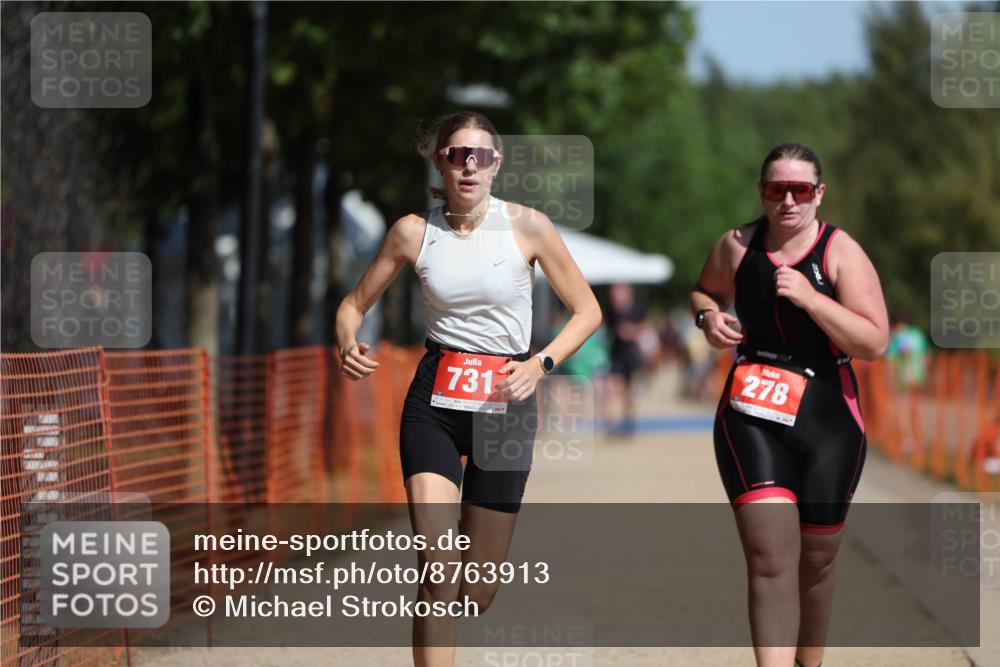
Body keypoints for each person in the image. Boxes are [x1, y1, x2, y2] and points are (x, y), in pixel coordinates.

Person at [335, 111, 601, 667]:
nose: (469, 166)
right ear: (441, 163)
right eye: (458, 155)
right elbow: (353, 305)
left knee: (475, 589)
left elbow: (587, 311)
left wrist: (541, 363)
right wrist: (347, 342)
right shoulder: (414, 231)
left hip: (506, 399)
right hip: (435, 399)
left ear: (497, 164)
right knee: (437, 568)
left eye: (480, 156)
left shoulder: (528, 226)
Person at [690, 143, 889, 667]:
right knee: (770, 557)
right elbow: (703, 292)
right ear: (762, 193)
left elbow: (873, 342)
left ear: (819, 195)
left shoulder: (841, 252)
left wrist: (810, 297)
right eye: (777, 189)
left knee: (817, 561)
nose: (788, 201)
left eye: (801, 190)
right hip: (751, 412)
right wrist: (708, 319)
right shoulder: (736, 245)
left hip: (829, 417)